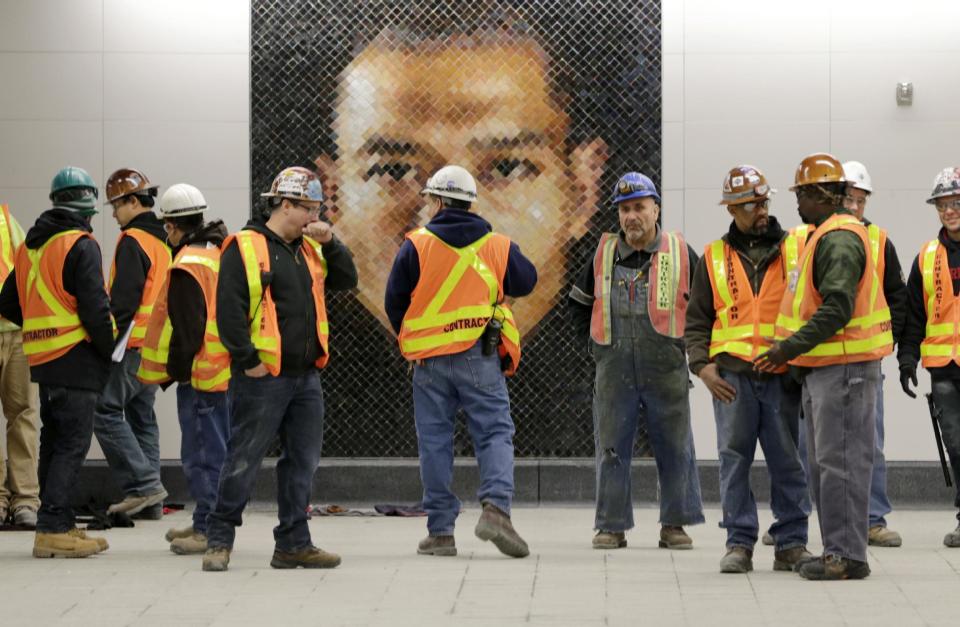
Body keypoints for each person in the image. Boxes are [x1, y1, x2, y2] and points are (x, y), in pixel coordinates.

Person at [202, 166, 357, 572]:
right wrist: (248, 361)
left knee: (302, 461)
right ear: (285, 205)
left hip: (305, 377)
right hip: (262, 377)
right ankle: (219, 538)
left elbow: (346, 279)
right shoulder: (244, 246)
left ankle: (293, 542)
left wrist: (333, 242)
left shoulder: (309, 247)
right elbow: (228, 311)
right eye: (309, 208)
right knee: (243, 459)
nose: (315, 216)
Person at [385, 164, 537, 558]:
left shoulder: (416, 245)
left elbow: (394, 302)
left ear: (436, 201)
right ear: (471, 203)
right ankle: (496, 510)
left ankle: (440, 533)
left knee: (435, 443)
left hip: (428, 364)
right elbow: (526, 281)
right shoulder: (496, 245)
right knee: (494, 432)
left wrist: (419, 339)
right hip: (479, 357)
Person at [755, 152, 893, 580]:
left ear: (818, 195)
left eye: (801, 195)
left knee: (843, 464)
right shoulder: (823, 234)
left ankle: (847, 556)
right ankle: (838, 548)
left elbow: (837, 308)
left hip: (845, 370)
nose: (796, 204)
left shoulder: (838, 238)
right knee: (826, 464)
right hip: (826, 370)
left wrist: (785, 349)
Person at [568, 172, 704, 550]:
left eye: (639, 207)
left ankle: (675, 524)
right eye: (625, 209)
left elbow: (703, 309)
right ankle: (611, 526)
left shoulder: (680, 252)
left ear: (656, 208)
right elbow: (578, 305)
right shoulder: (602, 254)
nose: (632, 216)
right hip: (613, 369)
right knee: (611, 447)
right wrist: (595, 349)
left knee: (676, 447)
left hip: (667, 368)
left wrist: (692, 353)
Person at [685, 166, 812, 573]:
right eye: (748, 205)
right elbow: (697, 320)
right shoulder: (714, 257)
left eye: (761, 202)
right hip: (732, 380)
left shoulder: (797, 248)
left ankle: (791, 542)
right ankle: (738, 543)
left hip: (781, 377)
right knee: (733, 460)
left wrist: (799, 365)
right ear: (732, 210)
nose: (758, 210)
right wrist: (702, 368)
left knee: (788, 461)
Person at [0, 166, 113, 557]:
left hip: (43, 360)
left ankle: (59, 522)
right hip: (76, 357)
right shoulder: (80, 244)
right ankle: (51, 529)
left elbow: (7, 302)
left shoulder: (32, 245)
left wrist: (39, 327)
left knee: (54, 441)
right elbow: (96, 310)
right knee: (72, 444)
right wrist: (107, 348)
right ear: (86, 209)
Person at [136, 184, 230, 555]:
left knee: (202, 453)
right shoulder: (217, 252)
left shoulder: (188, 263)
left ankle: (207, 527)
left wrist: (173, 371)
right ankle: (204, 519)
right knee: (214, 449)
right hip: (220, 369)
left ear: (172, 226)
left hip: (199, 373)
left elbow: (187, 329)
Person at [93, 168, 171, 518]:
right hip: (156, 346)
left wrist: (107, 346)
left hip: (133, 344)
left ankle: (144, 486)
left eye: (116, 205)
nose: (113, 213)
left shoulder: (133, 241)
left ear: (133, 202)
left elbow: (123, 303)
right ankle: (152, 505)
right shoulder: (165, 240)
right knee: (142, 418)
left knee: (105, 410)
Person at [840, 160, 907, 547]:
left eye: (859, 200)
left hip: (866, 359)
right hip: (817, 361)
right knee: (807, 445)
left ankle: (873, 519)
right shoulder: (809, 236)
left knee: (870, 441)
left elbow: (897, 297)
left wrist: (887, 339)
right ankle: (794, 520)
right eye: (847, 197)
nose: (853, 206)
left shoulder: (880, 241)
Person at [898, 166, 960, 549]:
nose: (949, 210)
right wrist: (907, 360)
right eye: (942, 205)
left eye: (954, 203)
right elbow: (913, 316)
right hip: (943, 367)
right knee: (956, 445)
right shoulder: (927, 257)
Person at [0, 201, 40, 529]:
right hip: (14, 332)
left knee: (23, 414)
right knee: (22, 415)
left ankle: (25, 500)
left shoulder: (9, 221)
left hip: (15, 332)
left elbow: (27, 270)